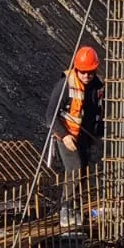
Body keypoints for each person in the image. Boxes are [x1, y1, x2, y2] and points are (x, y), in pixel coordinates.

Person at [46, 47, 105, 227]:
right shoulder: (65, 85)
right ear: (76, 68)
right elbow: (50, 116)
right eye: (83, 72)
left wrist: (99, 134)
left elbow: (99, 112)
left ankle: (77, 208)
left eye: (90, 72)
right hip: (66, 134)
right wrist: (64, 136)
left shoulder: (97, 86)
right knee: (75, 169)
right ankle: (66, 208)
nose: (87, 76)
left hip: (85, 137)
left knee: (84, 173)